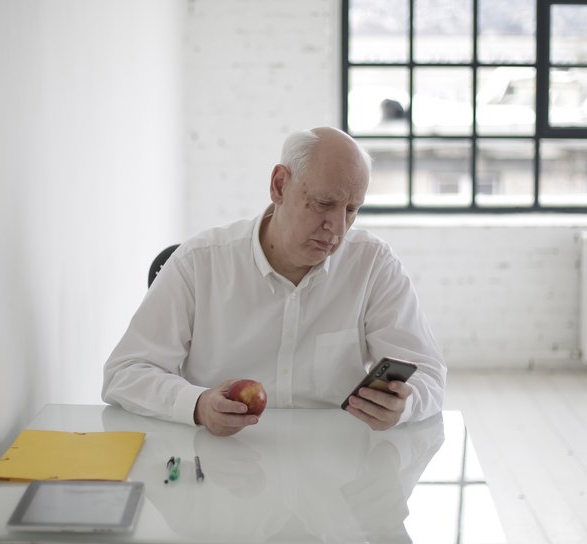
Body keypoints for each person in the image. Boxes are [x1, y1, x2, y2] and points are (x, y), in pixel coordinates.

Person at [103, 127, 446, 436]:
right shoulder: (200, 262)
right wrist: (197, 404)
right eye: (323, 204)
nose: (338, 229)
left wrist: (406, 405)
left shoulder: (373, 264)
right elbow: (125, 373)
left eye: (351, 210)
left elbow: (429, 374)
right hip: (220, 463)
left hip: (334, 468)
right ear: (279, 185)